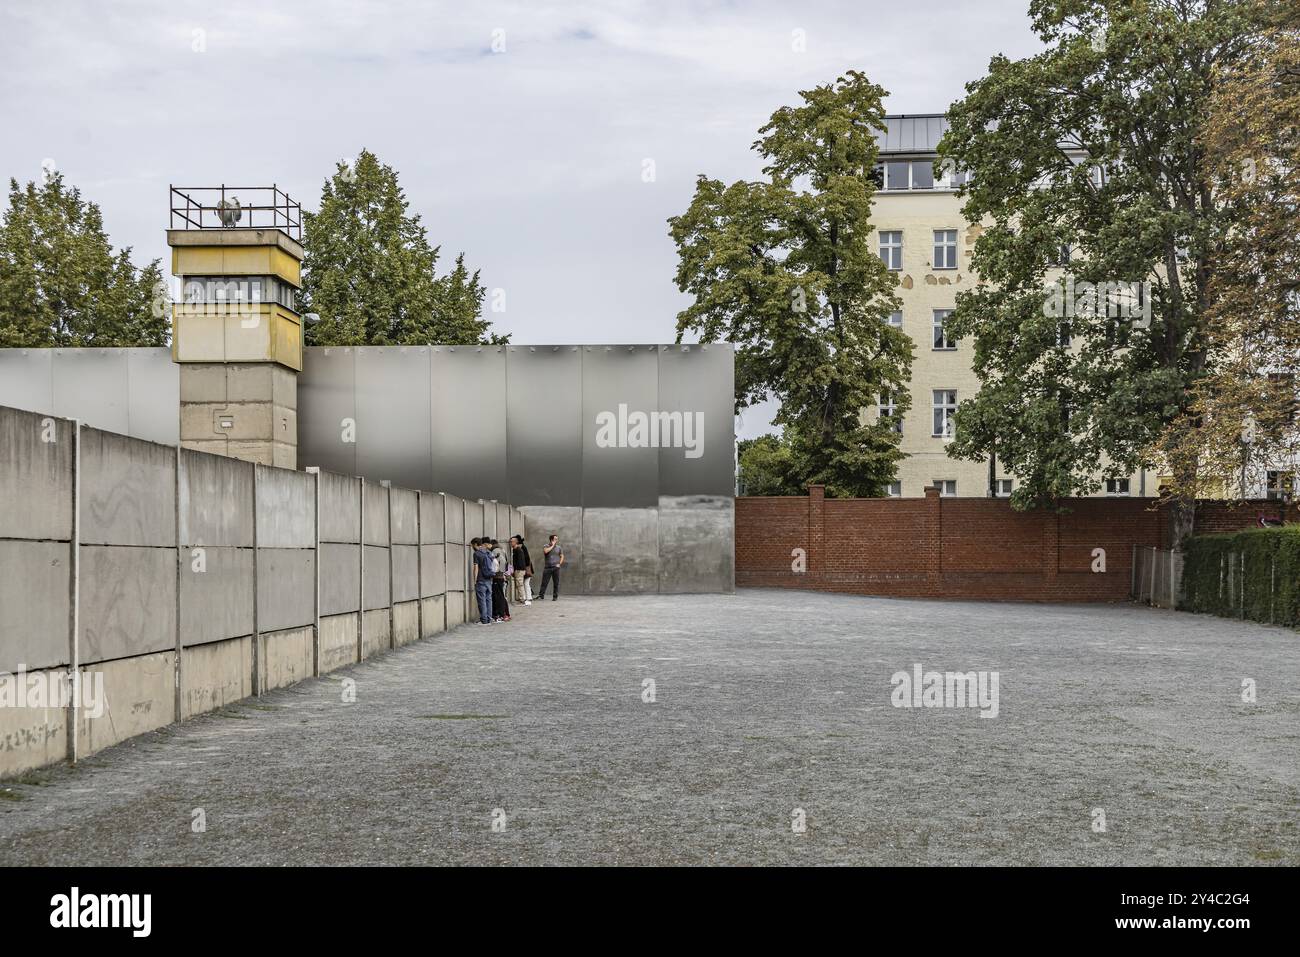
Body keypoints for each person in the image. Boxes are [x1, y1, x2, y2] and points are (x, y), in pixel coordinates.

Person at [470, 538, 495, 625]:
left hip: (481, 580)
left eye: (472, 545)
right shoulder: (488, 552)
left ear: (476, 544)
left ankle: (484, 620)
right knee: (488, 600)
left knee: (482, 600)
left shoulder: (476, 554)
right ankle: (489, 618)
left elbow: (476, 567)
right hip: (489, 579)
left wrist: (475, 580)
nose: (472, 547)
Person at [490, 539, 511, 622]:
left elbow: (496, 565)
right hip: (502, 576)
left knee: (498, 596)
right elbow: (506, 564)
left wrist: (494, 573)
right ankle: (505, 614)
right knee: (501, 596)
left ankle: (501, 614)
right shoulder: (502, 550)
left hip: (497, 576)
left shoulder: (495, 551)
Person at [538, 534, 564, 601]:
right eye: (555, 539)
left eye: (557, 539)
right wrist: (552, 545)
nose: (556, 540)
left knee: (556, 583)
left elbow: (562, 556)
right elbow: (546, 551)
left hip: (556, 568)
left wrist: (559, 564)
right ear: (551, 540)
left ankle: (555, 597)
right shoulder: (546, 546)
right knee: (544, 582)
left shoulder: (559, 548)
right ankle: (541, 595)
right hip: (547, 567)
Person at [510, 535, 532, 605]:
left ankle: (523, 599)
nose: (510, 543)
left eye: (511, 542)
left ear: (515, 542)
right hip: (519, 570)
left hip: (519, 570)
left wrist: (515, 570)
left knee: (520, 585)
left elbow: (519, 561)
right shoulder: (516, 550)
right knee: (520, 585)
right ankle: (522, 598)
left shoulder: (518, 550)